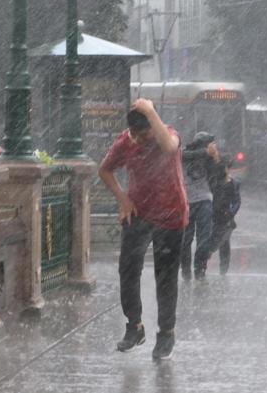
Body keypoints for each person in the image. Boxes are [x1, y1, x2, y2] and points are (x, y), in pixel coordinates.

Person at [98, 98, 188, 361]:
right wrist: (123, 198)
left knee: (165, 276)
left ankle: (166, 333)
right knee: (128, 269)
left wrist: (149, 110)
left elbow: (170, 148)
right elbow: (104, 170)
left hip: (171, 213)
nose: (138, 139)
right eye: (135, 134)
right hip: (138, 212)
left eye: (143, 133)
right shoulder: (126, 142)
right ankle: (134, 327)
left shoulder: (167, 135)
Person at [181, 132, 219, 281]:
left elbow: (218, 173)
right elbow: (181, 156)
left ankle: (200, 269)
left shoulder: (208, 157)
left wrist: (214, 158)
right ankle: (185, 270)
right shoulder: (185, 152)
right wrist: (205, 152)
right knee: (186, 240)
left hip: (204, 200)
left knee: (204, 239)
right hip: (187, 202)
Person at [209, 155, 240, 275]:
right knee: (212, 242)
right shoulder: (213, 182)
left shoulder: (233, 183)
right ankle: (202, 264)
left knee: (225, 242)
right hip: (213, 216)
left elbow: (237, 201)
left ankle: (223, 270)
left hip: (226, 218)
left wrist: (230, 212)